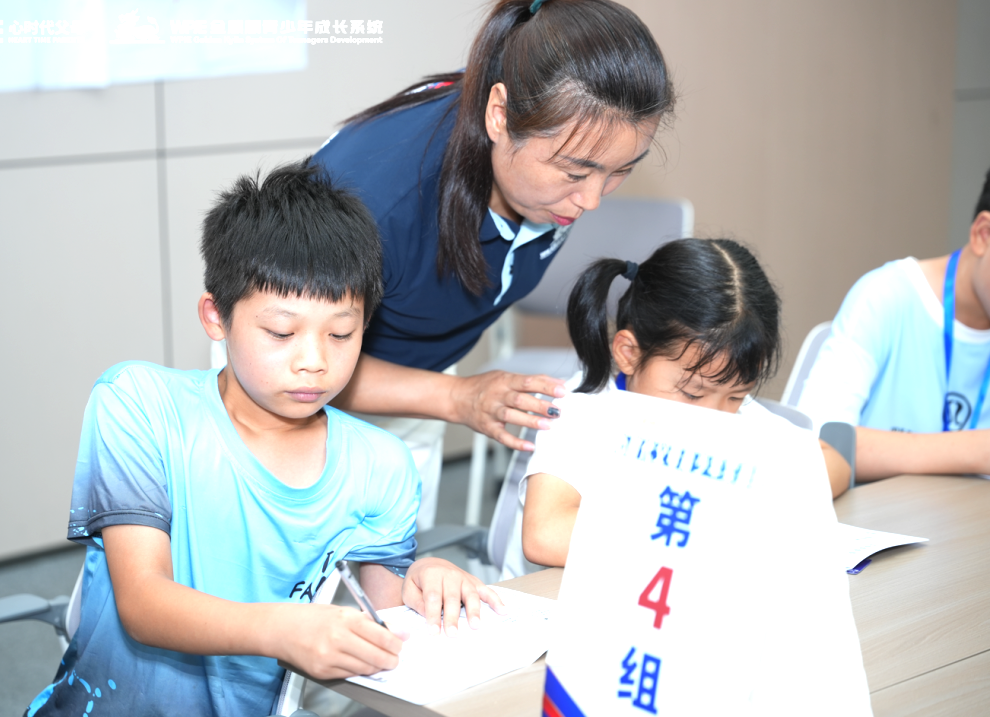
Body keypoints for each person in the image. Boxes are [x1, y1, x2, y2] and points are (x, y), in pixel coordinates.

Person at [25, 161, 502, 717]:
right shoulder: (140, 405)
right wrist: (282, 630)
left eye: (341, 334)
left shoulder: (382, 464)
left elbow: (383, 621)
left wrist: (424, 578)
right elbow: (143, 601)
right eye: (281, 332)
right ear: (216, 317)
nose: (314, 363)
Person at [315, 0, 676, 528]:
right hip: (288, 385)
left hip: (411, 378)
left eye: (619, 171)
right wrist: (457, 398)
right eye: (575, 171)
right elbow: (299, 365)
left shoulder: (537, 132)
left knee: (394, 576)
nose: (592, 200)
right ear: (499, 116)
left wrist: (445, 394)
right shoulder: (373, 204)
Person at [519, 239, 852, 567]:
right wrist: (702, 532)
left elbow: (832, 463)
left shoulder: (732, 411)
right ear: (629, 354)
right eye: (692, 393)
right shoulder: (582, 410)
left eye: (736, 395)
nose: (714, 416)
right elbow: (545, 535)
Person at [795, 168, 990, 480]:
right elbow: (814, 444)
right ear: (983, 234)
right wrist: (975, 451)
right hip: (871, 521)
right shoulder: (885, 297)